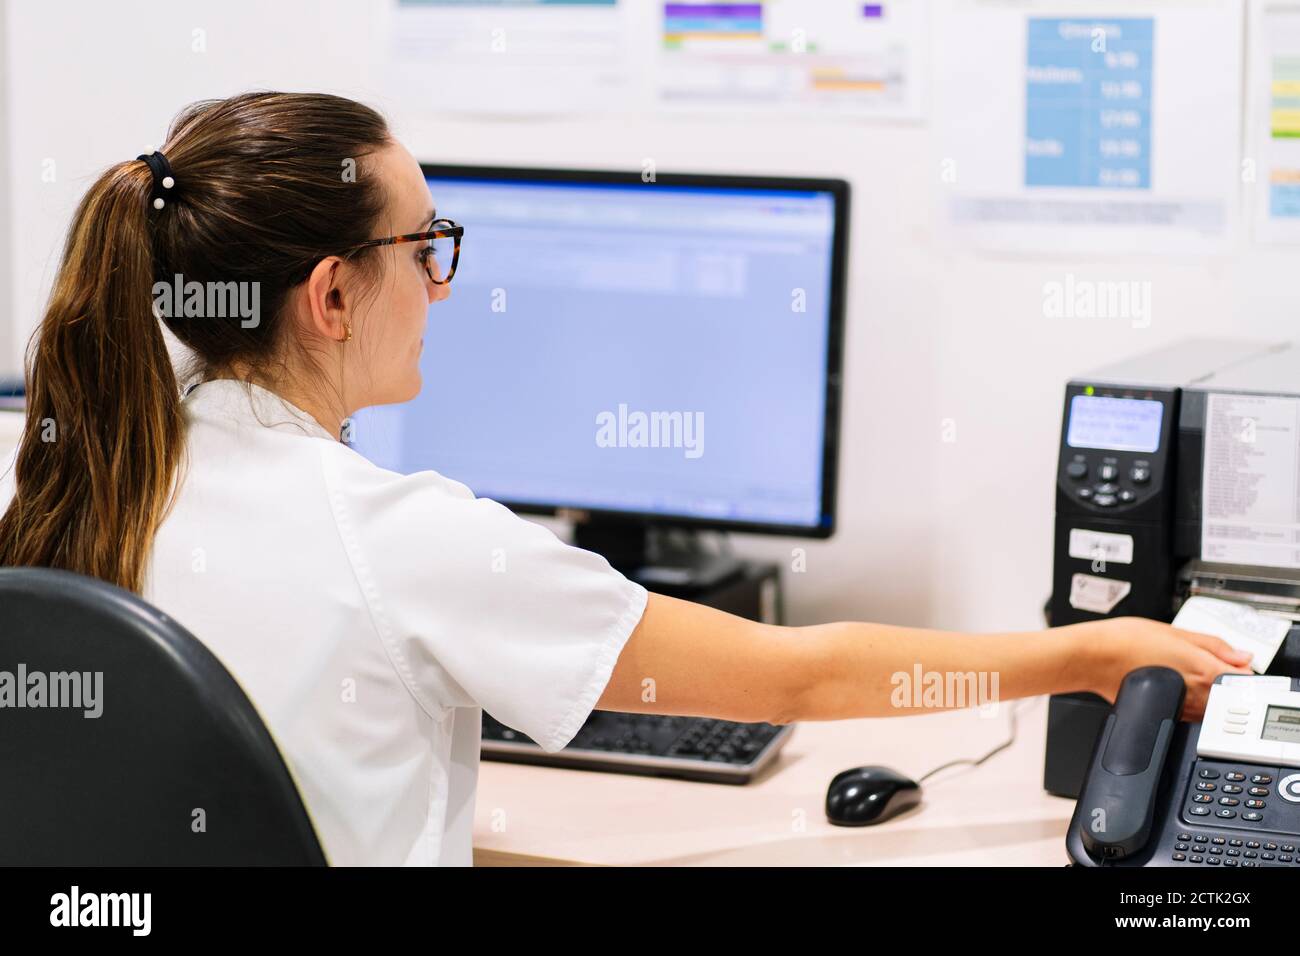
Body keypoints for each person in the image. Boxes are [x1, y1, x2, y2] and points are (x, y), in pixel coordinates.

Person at [0, 92, 1251, 866]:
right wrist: (1084, 656)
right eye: (426, 247)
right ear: (331, 295)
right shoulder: (396, 537)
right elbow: (799, 675)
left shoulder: (90, 467)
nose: (443, 284)